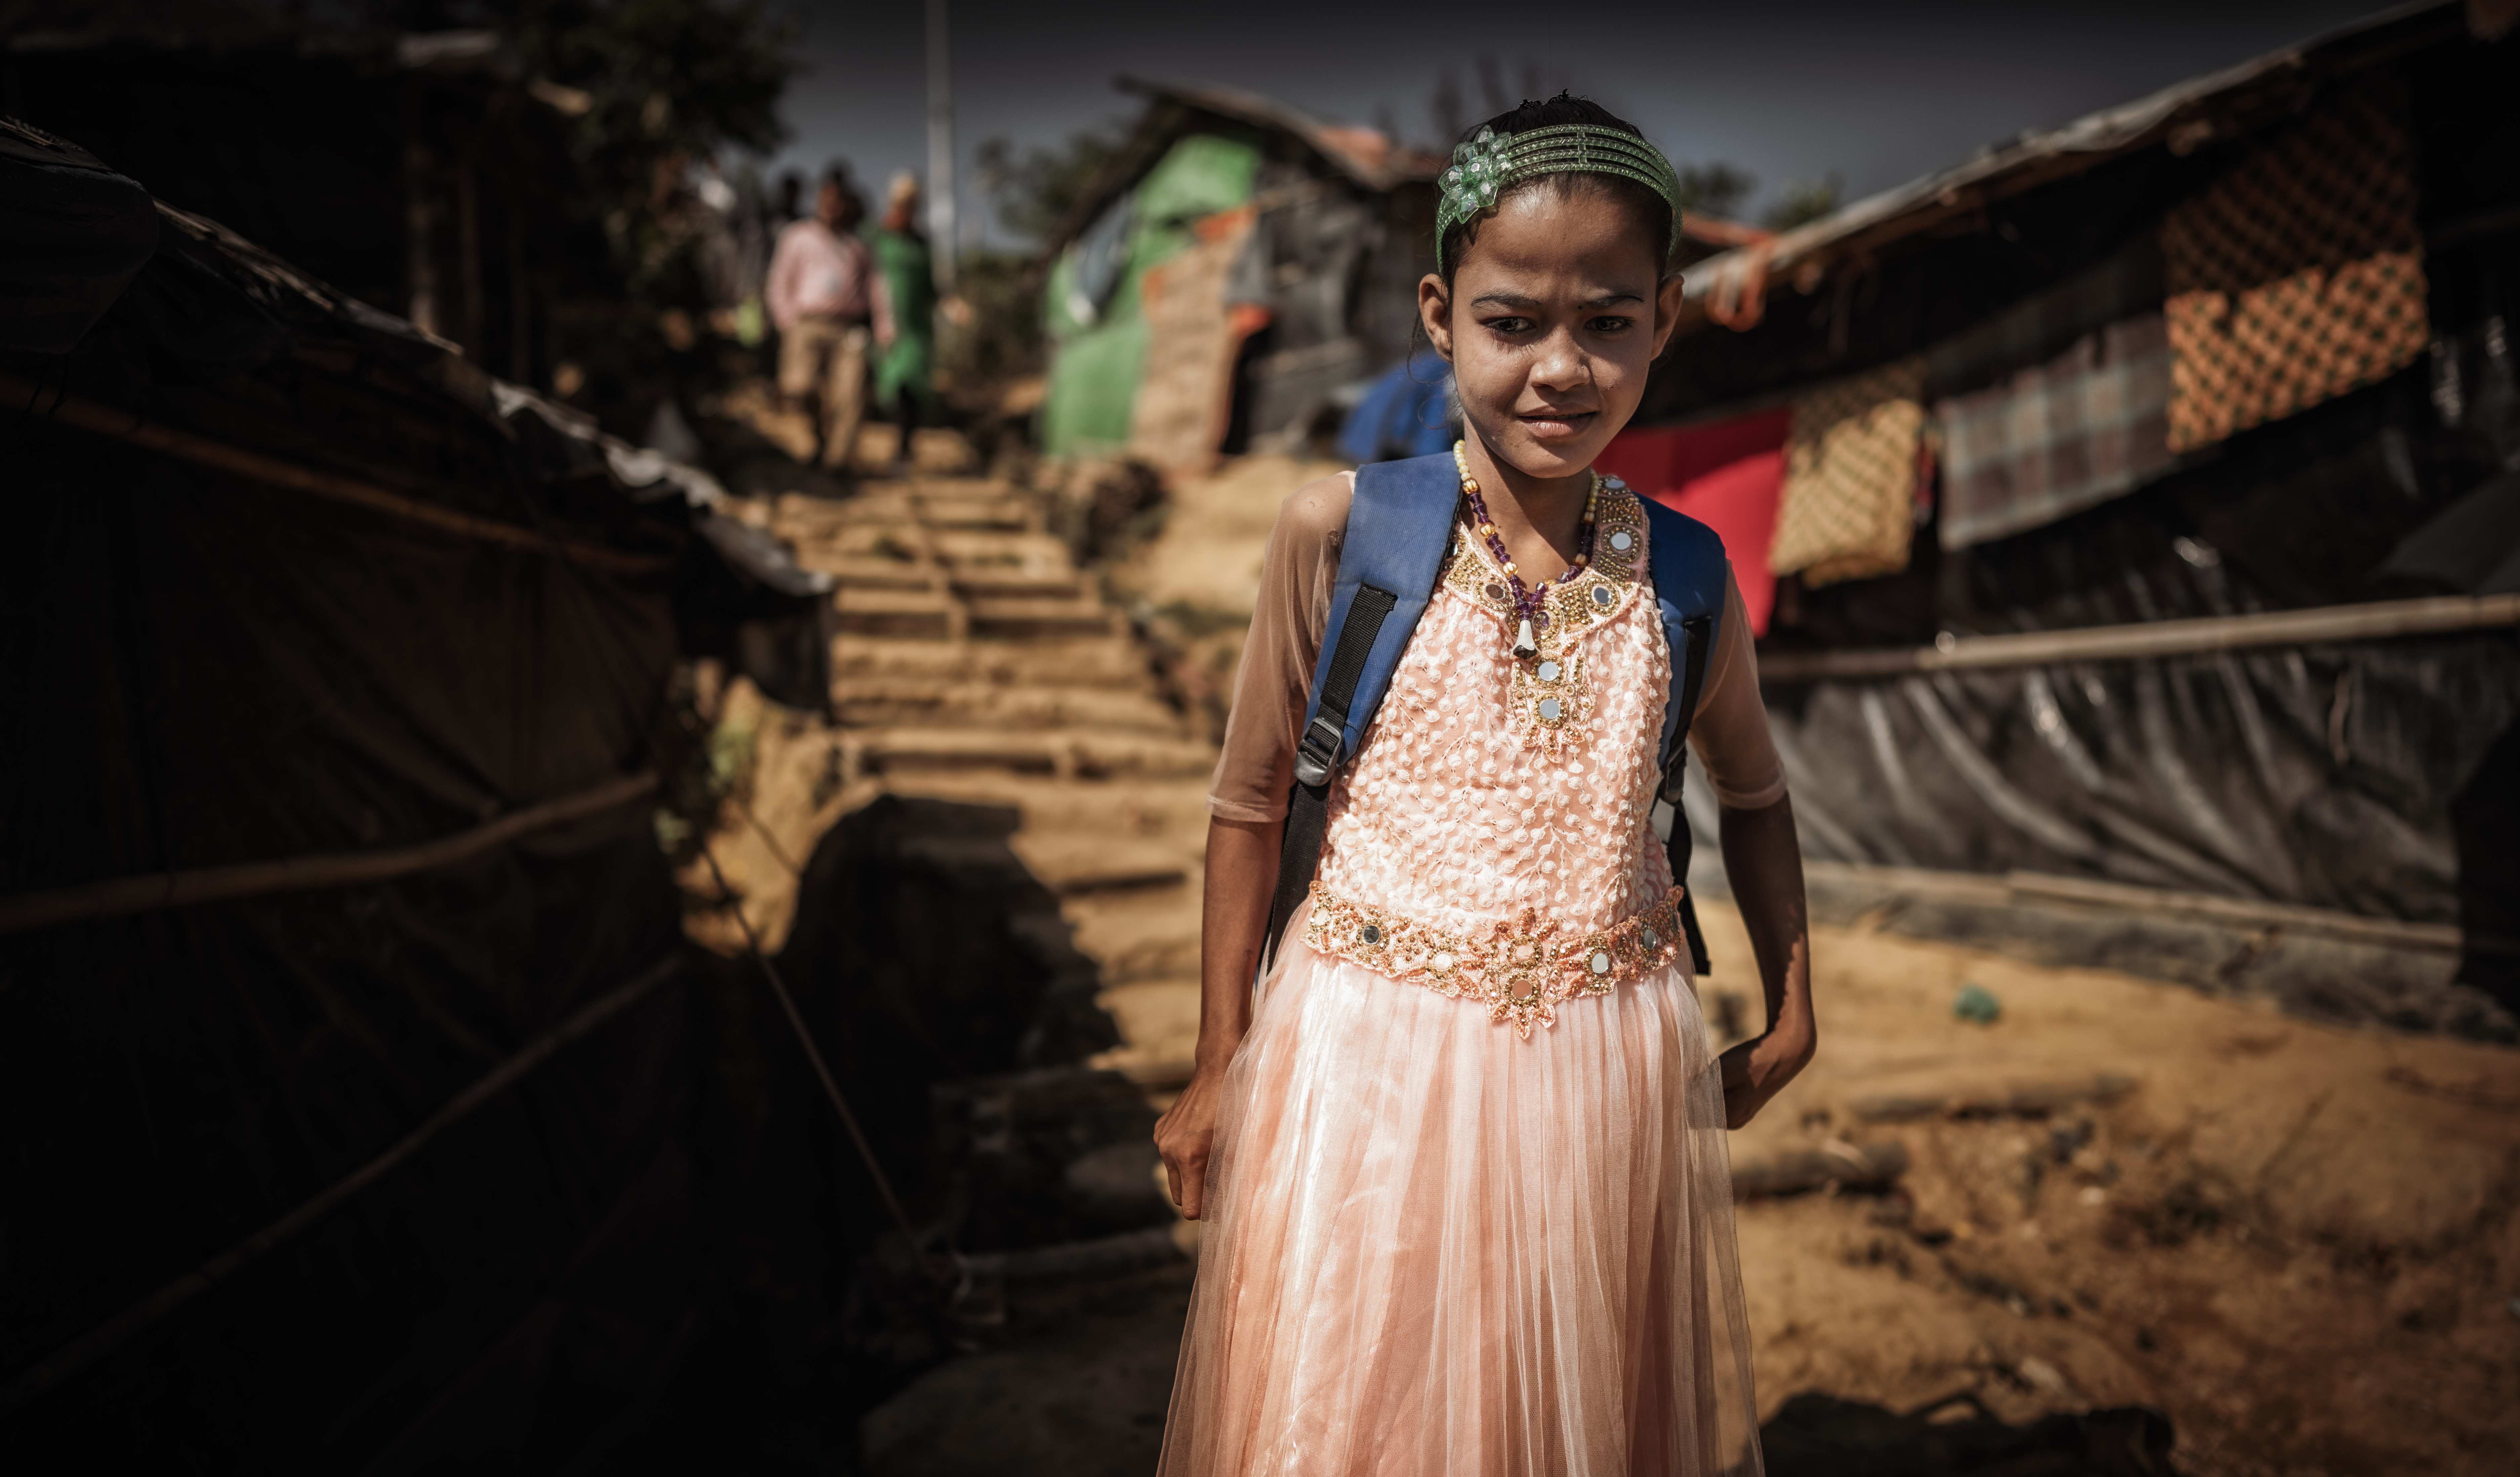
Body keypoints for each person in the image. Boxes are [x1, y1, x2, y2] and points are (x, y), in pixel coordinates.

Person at [1154, 95, 1815, 1476]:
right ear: (1442, 314)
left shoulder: (1686, 575)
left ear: (1666, 321)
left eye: (1610, 323)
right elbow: (1249, 800)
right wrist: (1221, 1056)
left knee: (1569, 1414)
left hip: (1604, 1075)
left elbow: (1752, 792)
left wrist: (1794, 1005)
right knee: (1362, 1409)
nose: (1563, 369)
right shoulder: (1344, 533)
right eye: (1516, 323)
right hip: (1369, 1059)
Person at [765, 167, 877, 473]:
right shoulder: (798, 236)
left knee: (851, 394)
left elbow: (876, 288)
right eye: (826, 200)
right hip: (807, 323)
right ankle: (819, 438)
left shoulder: (857, 246)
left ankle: (837, 462)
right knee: (799, 388)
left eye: (837, 201)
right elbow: (779, 281)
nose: (831, 207)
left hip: (848, 329)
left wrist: (882, 326)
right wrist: (786, 321)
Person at [871, 171, 944, 472]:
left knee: (911, 386)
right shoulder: (877, 238)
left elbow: (931, 288)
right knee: (891, 386)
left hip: (917, 328)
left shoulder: (921, 243)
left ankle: (904, 448)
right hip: (886, 323)